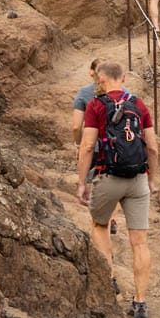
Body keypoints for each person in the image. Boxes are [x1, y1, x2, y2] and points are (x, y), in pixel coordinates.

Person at [77, 60, 160, 318]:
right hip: (137, 178)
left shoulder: (95, 105)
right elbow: (153, 147)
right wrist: (152, 179)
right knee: (140, 242)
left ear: (100, 79)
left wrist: (82, 183)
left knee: (100, 226)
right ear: (123, 78)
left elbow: (87, 146)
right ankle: (141, 302)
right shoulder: (139, 105)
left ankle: (109, 279)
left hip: (108, 176)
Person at [71, 58, 118, 240]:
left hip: (95, 146)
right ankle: (112, 216)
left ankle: (102, 222)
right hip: (116, 145)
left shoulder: (84, 93)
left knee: (96, 182)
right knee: (113, 179)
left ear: (92, 72)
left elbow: (76, 126)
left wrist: (78, 144)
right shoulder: (124, 93)